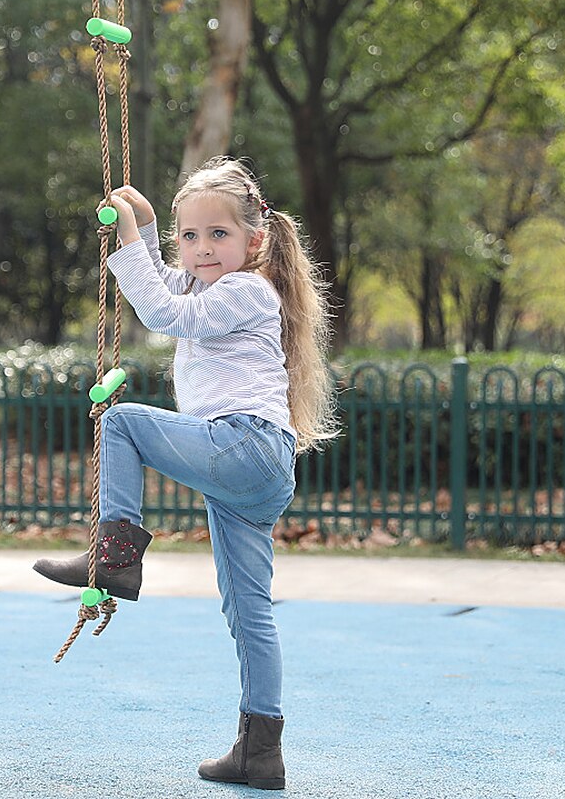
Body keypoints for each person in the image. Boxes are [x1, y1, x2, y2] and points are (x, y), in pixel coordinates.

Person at [33, 156, 339, 791]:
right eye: (190, 235)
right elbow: (168, 288)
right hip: (251, 469)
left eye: (218, 235)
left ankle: (116, 554)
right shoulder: (209, 284)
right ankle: (260, 751)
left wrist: (124, 243)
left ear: (255, 240)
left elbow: (162, 314)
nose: (202, 249)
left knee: (121, 423)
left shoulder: (249, 290)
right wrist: (143, 229)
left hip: (243, 444)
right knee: (247, 608)